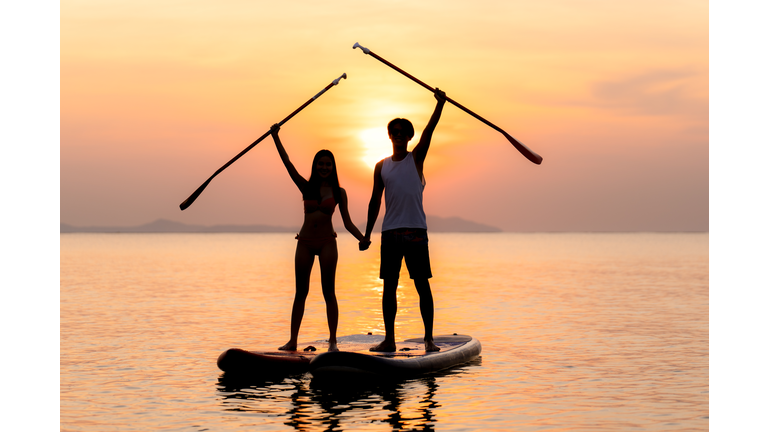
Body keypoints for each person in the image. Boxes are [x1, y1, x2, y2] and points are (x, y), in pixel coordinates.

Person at [269, 124, 369, 352]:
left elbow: (347, 222)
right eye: (320, 164)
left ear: (333, 167)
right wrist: (276, 137)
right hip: (304, 242)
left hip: (327, 243)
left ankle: (333, 341)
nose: (324, 167)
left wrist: (361, 238)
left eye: (328, 164)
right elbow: (288, 164)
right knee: (300, 292)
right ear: (315, 166)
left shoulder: (339, 192)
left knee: (328, 292)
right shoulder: (306, 187)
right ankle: (292, 341)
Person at [361, 88, 447, 352]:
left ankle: (429, 340)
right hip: (390, 234)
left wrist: (440, 105)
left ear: (409, 136)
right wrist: (367, 234)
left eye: (403, 131)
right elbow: (375, 201)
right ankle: (389, 340)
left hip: (416, 233)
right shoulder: (381, 166)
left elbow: (429, 132)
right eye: (394, 131)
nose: (398, 135)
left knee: (422, 285)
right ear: (390, 136)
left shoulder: (416, 158)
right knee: (389, 287)